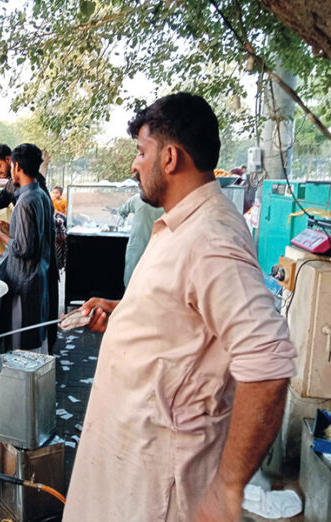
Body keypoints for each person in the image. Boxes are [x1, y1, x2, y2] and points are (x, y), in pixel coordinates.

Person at [63, 93, 296, 521]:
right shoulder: (182, 222)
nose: (134, 164)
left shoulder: (210, 238)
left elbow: (268, 361)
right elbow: (185, 314)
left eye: (141, 151)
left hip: (157, 483)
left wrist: (228, 486)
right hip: (129, 458)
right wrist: (122, 312)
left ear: (170, 157)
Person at [0, 143, 55, 354]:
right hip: (38, 276)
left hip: (24, 281)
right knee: (36, 340)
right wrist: (12, 230)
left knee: (23, 345)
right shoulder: (41, 195)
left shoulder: (25, 201)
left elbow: (23, 248)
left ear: (16, 166)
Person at [118, 192, 164, 286]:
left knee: (132, 280)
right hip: (161, 247)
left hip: (138, 247)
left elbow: (122, 211)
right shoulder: (168, 201)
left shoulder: (137, 199)